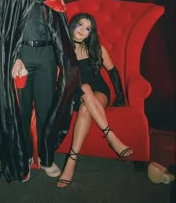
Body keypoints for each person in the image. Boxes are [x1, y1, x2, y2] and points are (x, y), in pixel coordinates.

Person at [0, 0, 80, 183]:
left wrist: (63, 62)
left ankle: (46, 158)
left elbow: (61, 34)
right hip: (22, 56)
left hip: (46, 57)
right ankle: (22, 160)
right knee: (21, 112)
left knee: (46, 110)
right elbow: (5, 34)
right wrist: (14, 58)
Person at [56, 13, 133, 188]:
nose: (82, 31)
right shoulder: (62, 48)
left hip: (100, 91)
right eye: (80, 25)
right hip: (75, 93)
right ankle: (111, 136)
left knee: (87, 92)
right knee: (84, 90)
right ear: (72, 25)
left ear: (91, 33)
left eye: (88, 28)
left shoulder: (96, 48)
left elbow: (112, 72)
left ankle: (71, 161)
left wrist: (120, 97)